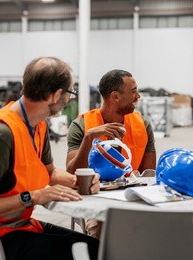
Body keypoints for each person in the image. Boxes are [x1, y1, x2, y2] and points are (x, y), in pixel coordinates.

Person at [0, 57, 100, 260]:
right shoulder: (0, 135)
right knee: (88, 255)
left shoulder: (38, 124)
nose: (69, 99)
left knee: (97, 249)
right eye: (70, 93)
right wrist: (33, 196)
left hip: (16, 227)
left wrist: (79, 181)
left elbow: (49, 172)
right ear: (57, 95)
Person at [66, 69, 156, 238]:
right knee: (103, 229)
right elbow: (72, 175)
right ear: (115, 96)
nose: (138, 96)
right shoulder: (82, 125)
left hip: (133, 197)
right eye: (133, 91)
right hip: (96, 201)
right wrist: (89, 138)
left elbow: (149, 177)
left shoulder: (143, 125)